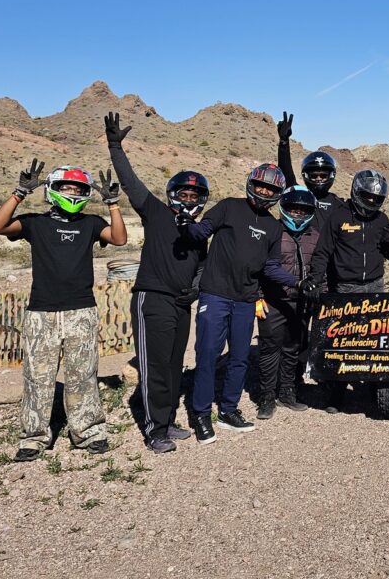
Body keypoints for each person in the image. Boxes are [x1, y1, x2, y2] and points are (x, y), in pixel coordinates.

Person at [0, 159, 127, 461]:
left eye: (78, 188)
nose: (73, 192)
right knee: (37, 377)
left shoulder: (90, 223)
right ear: (52, 190)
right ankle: (33, 437)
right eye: (66, 187)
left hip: (81, 311)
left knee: (83, 375)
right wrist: (19, 192)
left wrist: (113, 204)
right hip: (41, 313)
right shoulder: (36, 223)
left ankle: (89, 432)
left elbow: (119, 239)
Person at [104, 112, 209, 454]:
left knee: (174, 365)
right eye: (184, 194)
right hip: (153, 299)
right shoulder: (155, 211)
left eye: (195, 196)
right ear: (172, 193)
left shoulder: (198, 231)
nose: (189, 200)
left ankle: (167, 420)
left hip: (182, 303)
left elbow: (201, 266)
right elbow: (131, 181)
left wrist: (195, 288)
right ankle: (154, 430)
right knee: (154, 366)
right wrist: (115, 145)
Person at [182, 164, 300, 444]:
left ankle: (228, 410)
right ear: (251, 183)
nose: (264, 191)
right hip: (215, 294)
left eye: (270, 189)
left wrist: (297, 282)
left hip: (246, 300)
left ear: (277, 193)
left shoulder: (273, 226)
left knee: (239, 358)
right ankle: (200, 413)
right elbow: (201, 232)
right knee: (208, 354)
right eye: (260, 185)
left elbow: (271, 267)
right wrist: (186, 225)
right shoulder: (229, 207)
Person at [306, 169, 389, 412]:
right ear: (356, 192)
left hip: (375, 285)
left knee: (373, 338)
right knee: (341, 340)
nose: (371, 202)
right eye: (367, 196)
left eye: (375, 198)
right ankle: (336, 394)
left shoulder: (381, 220)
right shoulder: (338, 217)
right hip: (345, 287)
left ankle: (371, 387)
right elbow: (322, 253)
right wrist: (315, 280)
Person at [257, 185, 320, 418]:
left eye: (303, 211)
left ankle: (287, 392)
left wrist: (317, 295)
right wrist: (257, 296)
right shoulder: (273, 230)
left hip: (301, 302)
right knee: (269, 349)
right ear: (284, 208)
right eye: (293, 210)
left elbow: (318, 268)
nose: (297, 215)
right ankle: (265, 398)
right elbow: (256, 266)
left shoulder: (314, 235)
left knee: (292, 349)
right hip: (273, 300)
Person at [276, 111, 342, 225]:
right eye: (314, 175)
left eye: (323, 175)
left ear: (331, 176)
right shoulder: (300, 195)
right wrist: (283, 142)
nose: (319, 179)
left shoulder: (340, 204)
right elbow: (286, 173)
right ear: (306, 176)